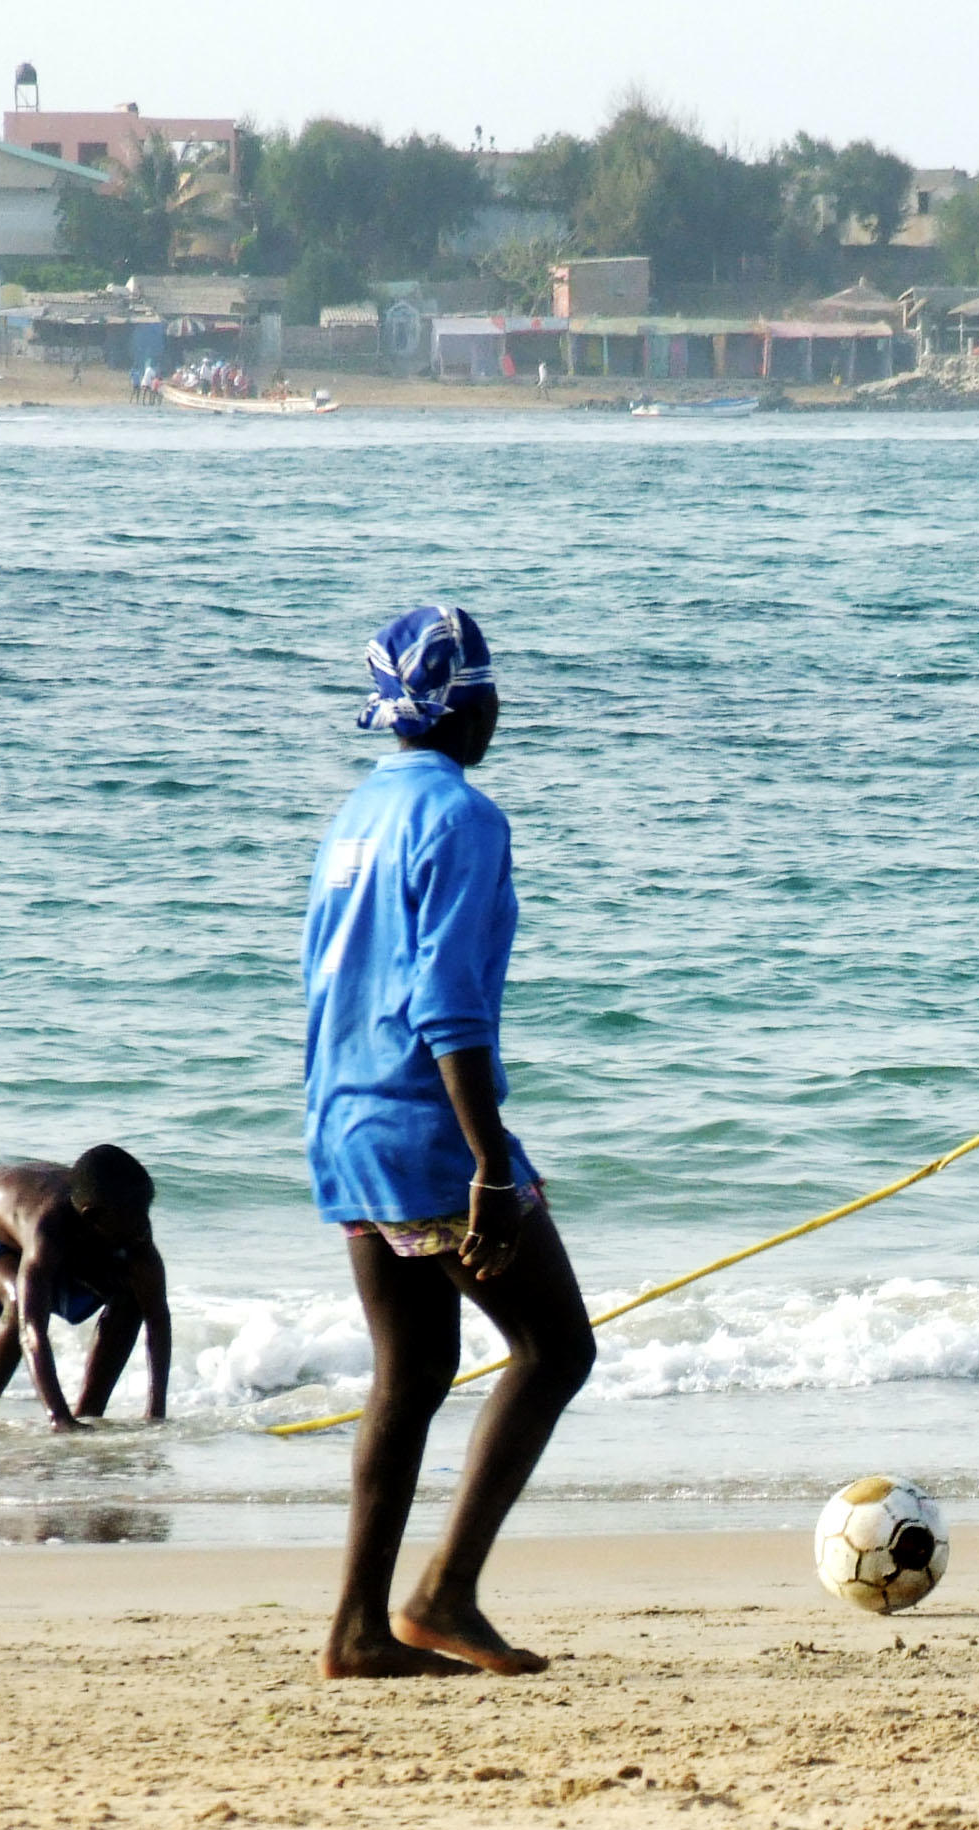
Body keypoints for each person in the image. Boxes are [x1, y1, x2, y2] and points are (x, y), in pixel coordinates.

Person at [305, 603, 595, 1680]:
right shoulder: (464, 818)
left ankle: (357, 1627)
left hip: (343, 1115)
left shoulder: (355, 815)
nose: (499, 703)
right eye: (489, 685)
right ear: (465, 701)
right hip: (424, 1124)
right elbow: (447, 1004)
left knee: (414, 1368)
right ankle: (443, 1593)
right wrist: (487, 1166)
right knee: (557, 1348)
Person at [0, 1147, 171, 1431]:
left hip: (42, 1238)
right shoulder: (49, 1226)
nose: (144, 1225)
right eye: (134, 1217)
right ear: (93, 1216)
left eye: (146, 1212)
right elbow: (32, 1328)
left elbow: (156, 1316)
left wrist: (156, 1413)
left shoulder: (133, 1225)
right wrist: (58, 1417)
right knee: (20, 1301)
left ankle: (88, 1416)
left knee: (131, 1297)